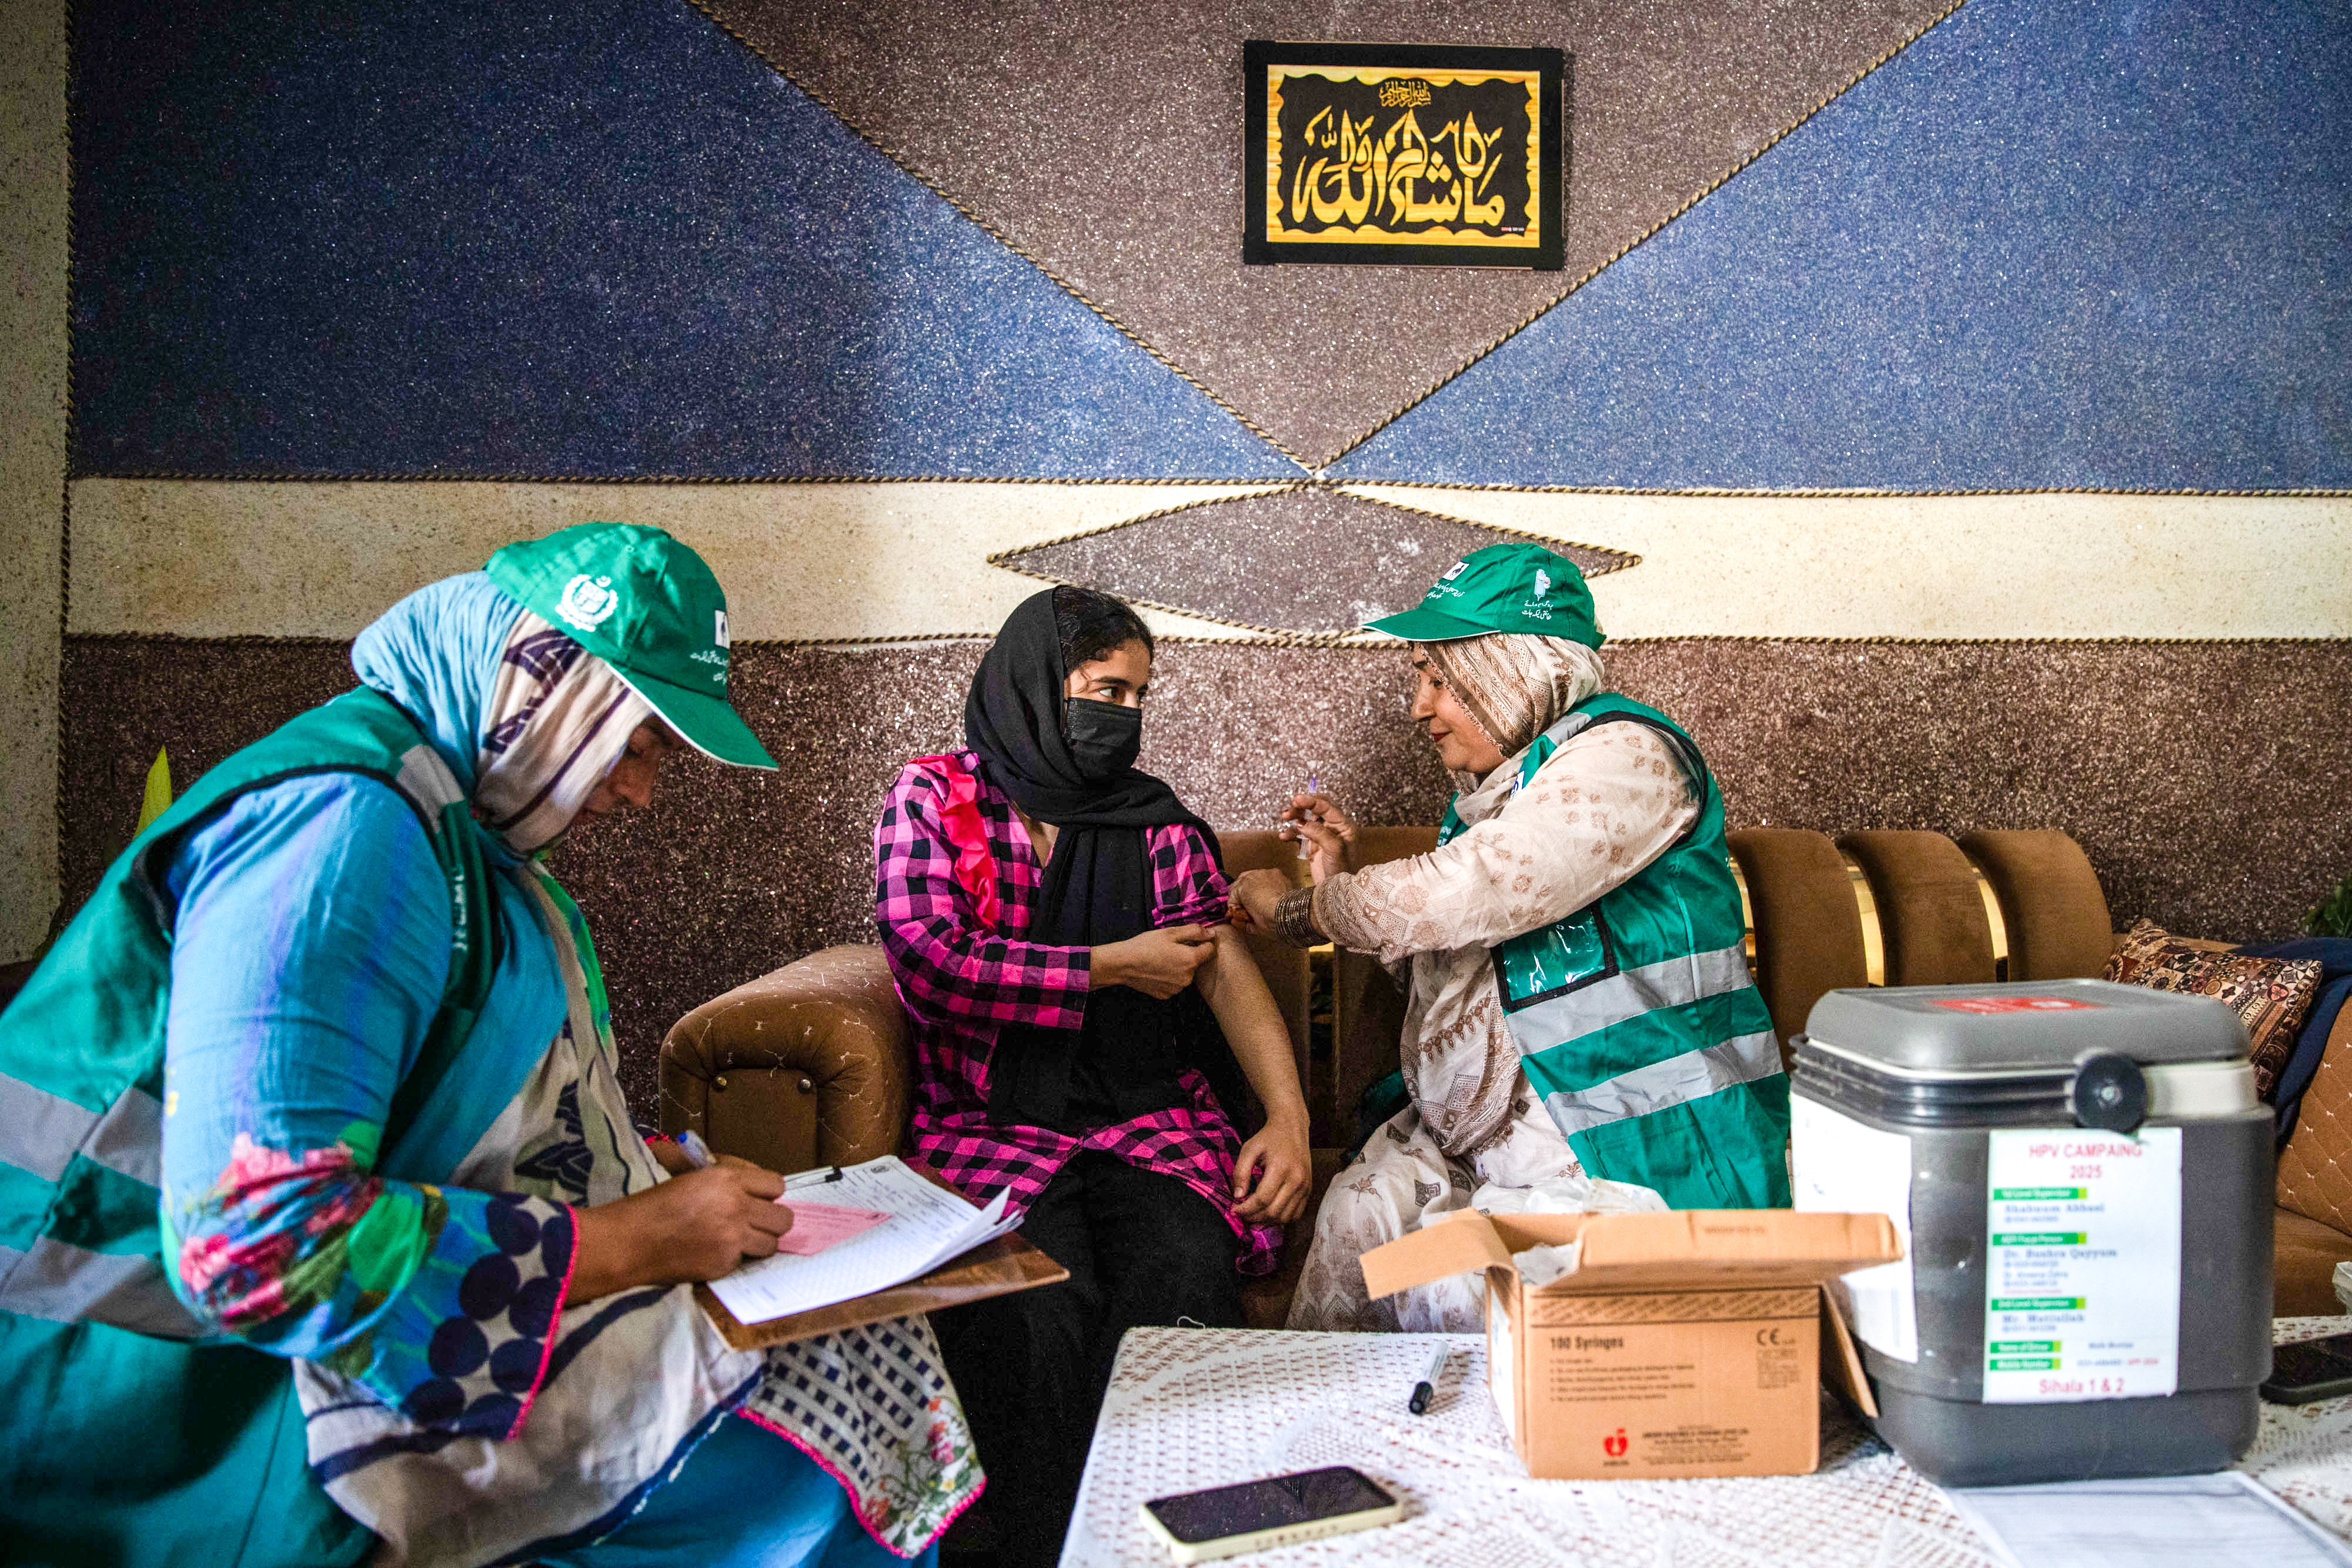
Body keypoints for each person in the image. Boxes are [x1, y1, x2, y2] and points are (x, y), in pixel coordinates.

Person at [0, 523, 978, 1568]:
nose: (639, 792)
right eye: (638, 740)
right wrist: (641, 1239)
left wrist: (644, 1175)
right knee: (799, 1448)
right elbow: (259, 1245)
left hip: (289, 1330)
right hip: (158, 1383)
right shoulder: (345, 829)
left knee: (866, 1337)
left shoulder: (459, 844)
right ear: (543, 682)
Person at [1230, 543, 1789, 1333]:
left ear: (1510, 668)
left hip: (1617, 1129)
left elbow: (1468, 891)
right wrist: (1335, 876)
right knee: (1358, 1214)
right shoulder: (1499, 795)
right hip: (1482, 1132)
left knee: (1464, 1283)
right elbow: (1455, 970)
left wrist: (1294, 912)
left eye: (1440, 679)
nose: (1419, 708)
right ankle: (1334, 1451)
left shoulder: (1627, 758)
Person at [872, 586, 1311, 1566]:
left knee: (1181, 1278)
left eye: (1139, 698)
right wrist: (1110, 965)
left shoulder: (1154, 823)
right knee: (1030, 1312)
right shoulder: (937, 801)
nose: (1124, 718)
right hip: (990, 1129)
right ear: (1035, 681)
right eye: (1105, 689)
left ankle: (1172, 1544)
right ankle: (1045, 1547)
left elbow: (1220, 962)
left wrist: (1285, 1117)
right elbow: (930, 961)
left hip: (1144, 1119)